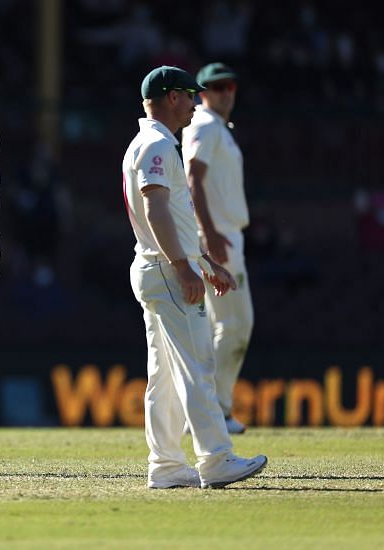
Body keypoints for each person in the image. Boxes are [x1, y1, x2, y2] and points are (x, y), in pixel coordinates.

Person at [122, 65, 267, 489]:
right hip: (167, 269)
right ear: (171, 97)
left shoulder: (150, 141)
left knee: (164, 377)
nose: (192, 104)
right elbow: (156, 208)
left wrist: (204, 262)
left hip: (159, 266)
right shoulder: (157, 143)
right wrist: (185, 267)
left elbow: (177, 220)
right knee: (198, 365)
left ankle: (166, 467)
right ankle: (216, 459)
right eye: (188, 96)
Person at [181, 62, 251, 434]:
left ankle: (210, 410)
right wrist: (208, 233)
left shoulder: (217, 128)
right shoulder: (205, 125)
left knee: (226, 325)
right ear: (203, 93)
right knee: (234, 325)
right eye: (218, 86)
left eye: (231, 85)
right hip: (218, 235)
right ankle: (214, 411)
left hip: (223, 234)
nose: (226, 92)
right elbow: (194, 176)